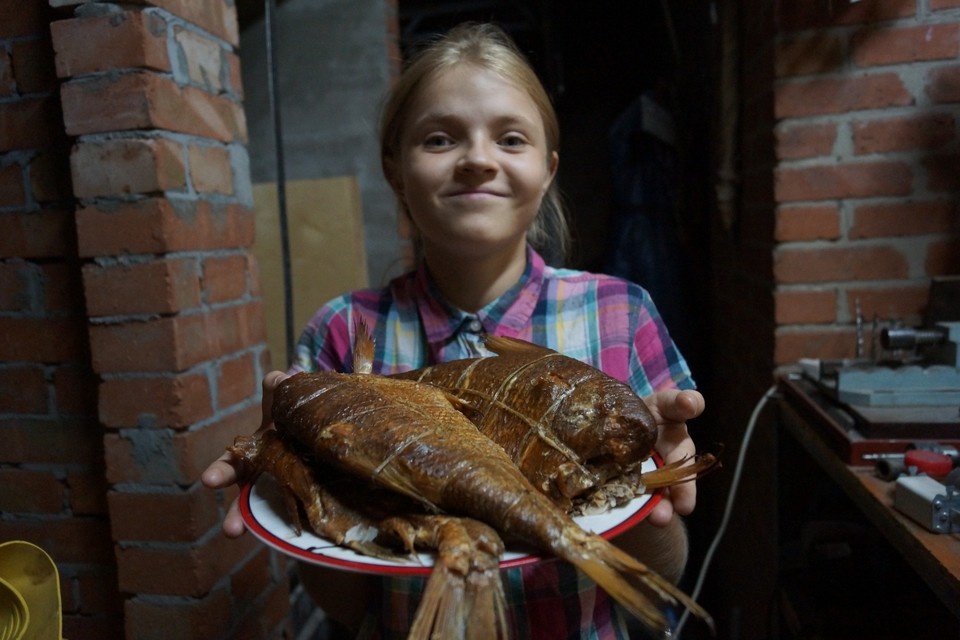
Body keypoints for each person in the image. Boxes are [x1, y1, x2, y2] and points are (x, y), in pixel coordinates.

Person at [202, 22, 705, 640]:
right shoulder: (341, 332)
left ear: (548, 169)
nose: (477, 159)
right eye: (440, 138)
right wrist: (299, 482)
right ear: (395, 170)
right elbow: (347, 602)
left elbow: (665, 571)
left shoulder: (621, 313)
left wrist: (655, 494)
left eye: (511, 138)